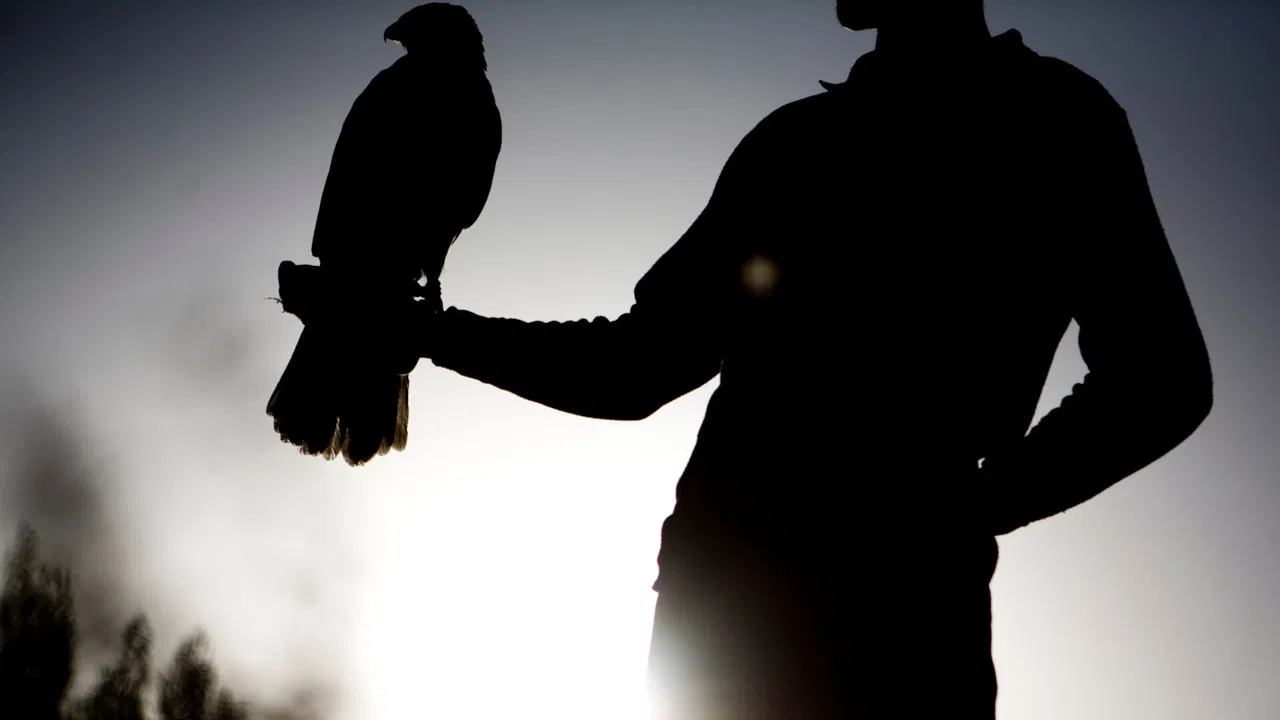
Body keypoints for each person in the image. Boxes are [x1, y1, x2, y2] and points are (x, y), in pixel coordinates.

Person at [279, 1, 1214, 717]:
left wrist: (964, 508)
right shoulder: (820, 142)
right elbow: (639, 366)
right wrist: (429, 333)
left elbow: (1162, 379)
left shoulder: (1026, 125)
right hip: (765, 618)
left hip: (836, 628)